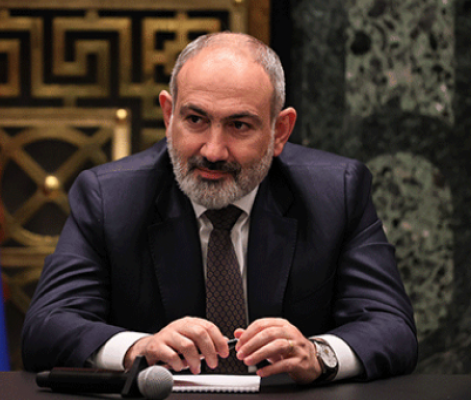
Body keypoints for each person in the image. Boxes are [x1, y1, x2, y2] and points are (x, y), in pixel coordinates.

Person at [21, 32, 417, 384]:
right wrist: (138, 348)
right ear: (168, 115)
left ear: (279, 131)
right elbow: (46, 327)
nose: (212, 151)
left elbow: (391, 326)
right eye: (195, 119)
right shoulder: (110, 197)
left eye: (239, 125)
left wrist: (319, 355)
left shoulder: (336, 192)